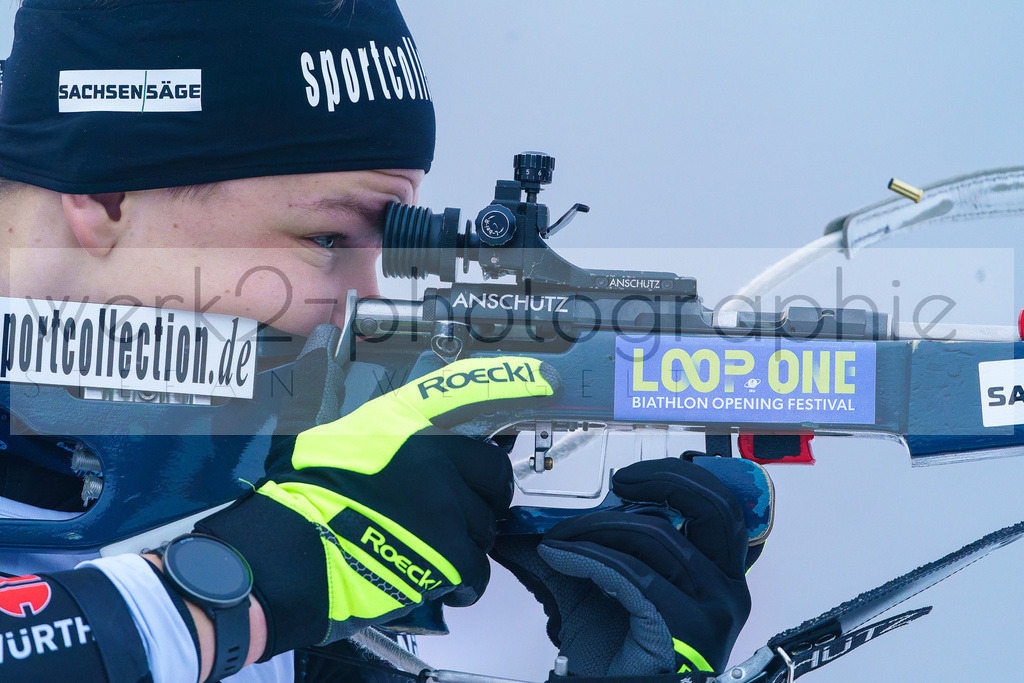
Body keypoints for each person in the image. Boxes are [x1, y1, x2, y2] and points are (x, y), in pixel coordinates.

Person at [0, 0, 758, 680]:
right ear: (104, 196)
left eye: (388, 246)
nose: (367, 302)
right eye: (326, 237)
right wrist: (244, 588)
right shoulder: (236, 552)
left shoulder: (220, 468)